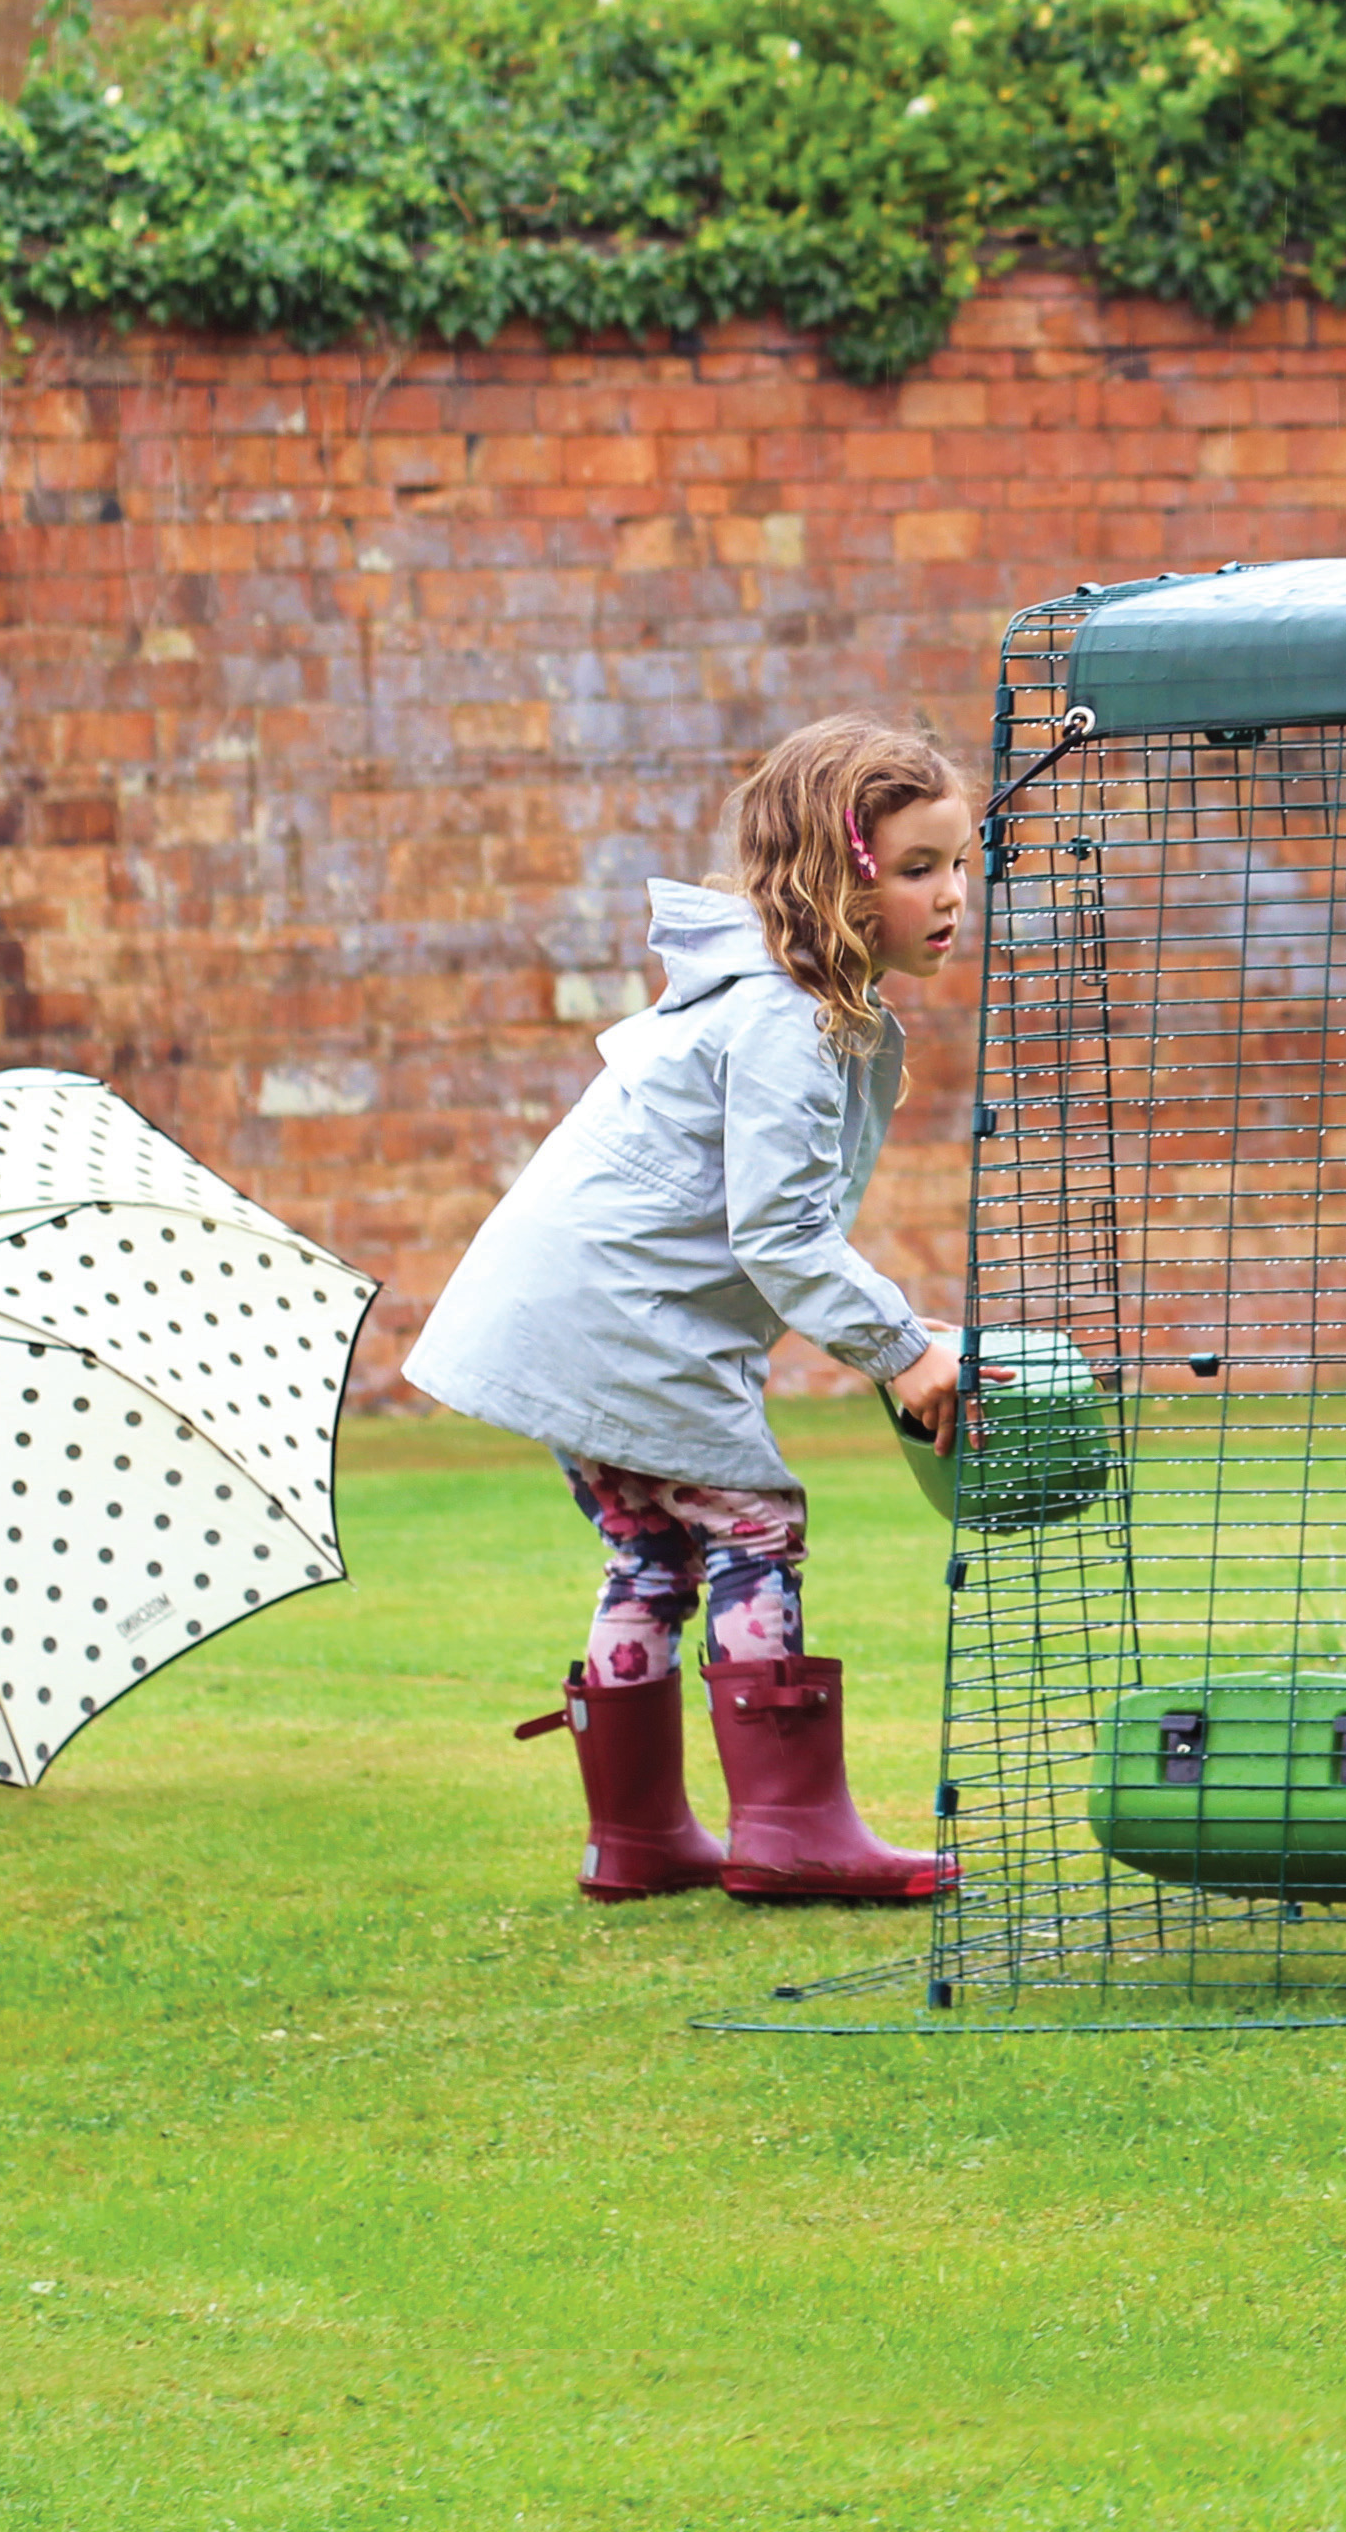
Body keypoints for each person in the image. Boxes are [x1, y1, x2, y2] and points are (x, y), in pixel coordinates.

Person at [406, 715, 978, 1905]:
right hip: (613, 1319)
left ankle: (640, 1834)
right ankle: (789, 1827)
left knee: (653, 1543)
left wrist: (901, 1330)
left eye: (962, 862)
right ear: (840, 874)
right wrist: (902, 1347)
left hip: (572, 1311)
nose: (953, 893)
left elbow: (774, 1222)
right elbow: (779, 1232)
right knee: (755, 1519)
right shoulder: (781, 1015)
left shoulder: (791, 1000)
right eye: (919, 868)